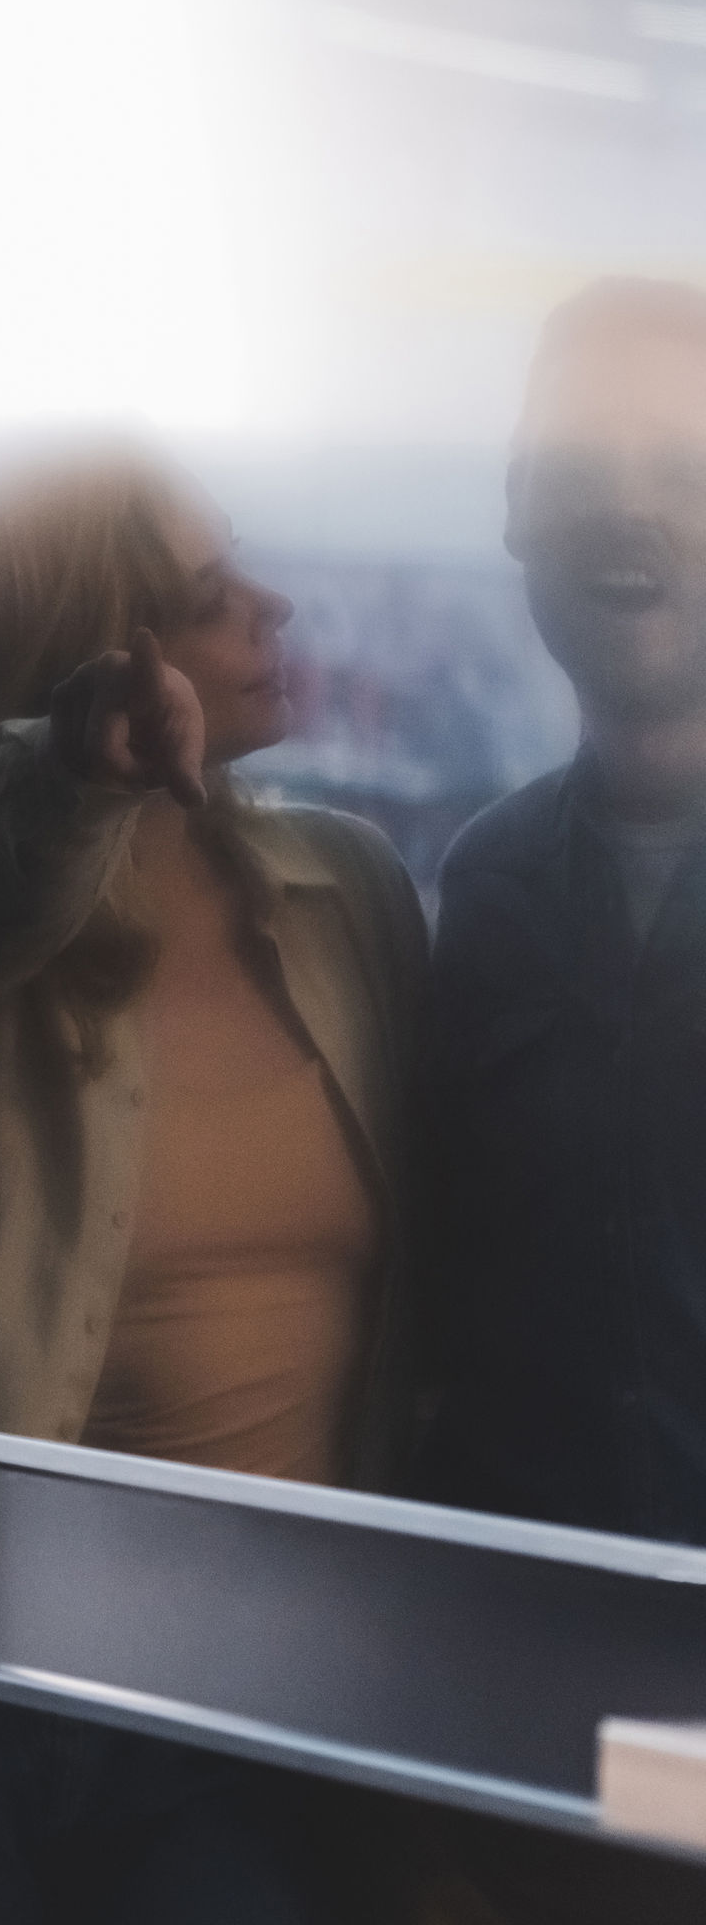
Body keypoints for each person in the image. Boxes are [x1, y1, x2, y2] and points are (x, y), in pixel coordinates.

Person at [0, 446, 424, 1487]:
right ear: (88, 655)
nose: (272, 608)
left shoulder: (350, 889)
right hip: (66, 1600)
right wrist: (69, 772)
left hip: (349, 1601)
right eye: (207, 597)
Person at [424, 277, 706, 1541]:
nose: (627, 507)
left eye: (683, 465)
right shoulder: (486, 890)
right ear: (517, 510)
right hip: (510, 1666)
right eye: (584, 463)